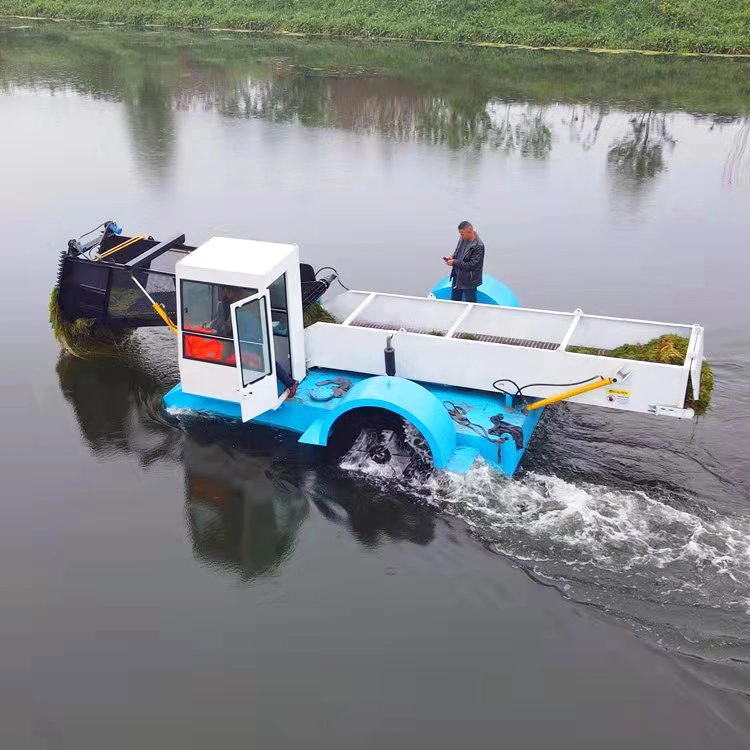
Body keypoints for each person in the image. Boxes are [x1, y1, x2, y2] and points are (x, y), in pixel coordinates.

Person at [444, 220, 485, 303]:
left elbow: (471, 265)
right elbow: (457, 251)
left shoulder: (479, 246)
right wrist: (452, 257)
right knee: (454, 302)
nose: (460, 236)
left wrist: (454, 262)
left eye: (462, 234)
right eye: (460, 233)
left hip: (469, 282)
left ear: (469, 232)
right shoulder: (462, 238)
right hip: (457, 277)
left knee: (471, 303)